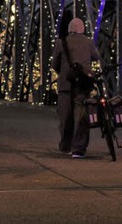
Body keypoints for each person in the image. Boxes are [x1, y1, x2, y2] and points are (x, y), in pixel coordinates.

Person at [51, 17, 100, 159]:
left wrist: (65, 71)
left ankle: (65, 145)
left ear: (69, 29)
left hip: (65, 85)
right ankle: (78, 148)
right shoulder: (89, 42)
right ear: (82, 29)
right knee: (81, 117)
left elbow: (54, 64)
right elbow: (96, 57)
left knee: (65, 117)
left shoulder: (61, 42)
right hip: (82, 86)